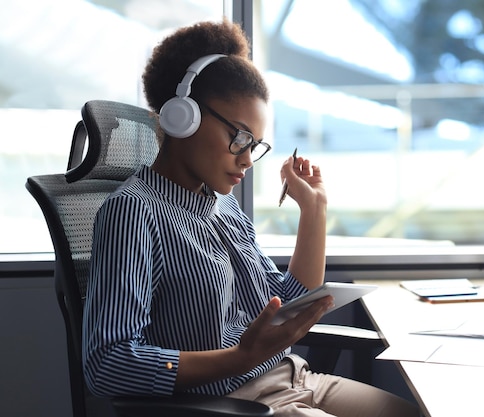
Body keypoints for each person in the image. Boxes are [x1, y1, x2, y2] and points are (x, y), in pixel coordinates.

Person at [82, 19, 420, 417]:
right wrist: (240, 358)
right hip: (230, 404)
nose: (246, 159)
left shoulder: (223, 206)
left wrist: (314, 209)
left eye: (255, 145)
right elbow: (107, 364)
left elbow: (284, 304)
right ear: (182, 117)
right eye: (239, 137)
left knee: (412, 412)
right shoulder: (134, 212)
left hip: (292, 378)